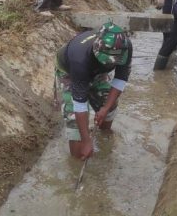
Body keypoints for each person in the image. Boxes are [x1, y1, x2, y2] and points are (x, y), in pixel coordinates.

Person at [55, 22, 132, 160]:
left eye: (114, 62)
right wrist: (86, 140)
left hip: (97, 72)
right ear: (97, 49)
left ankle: (104, 137)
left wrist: (105, 108)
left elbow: (120, 79)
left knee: (110, 107)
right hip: (70, 73)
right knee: (74, 124)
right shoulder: (79, 58)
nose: (111, 64)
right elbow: (79, 103)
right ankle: (78, 158)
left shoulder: (124, 47)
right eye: (108, 61)